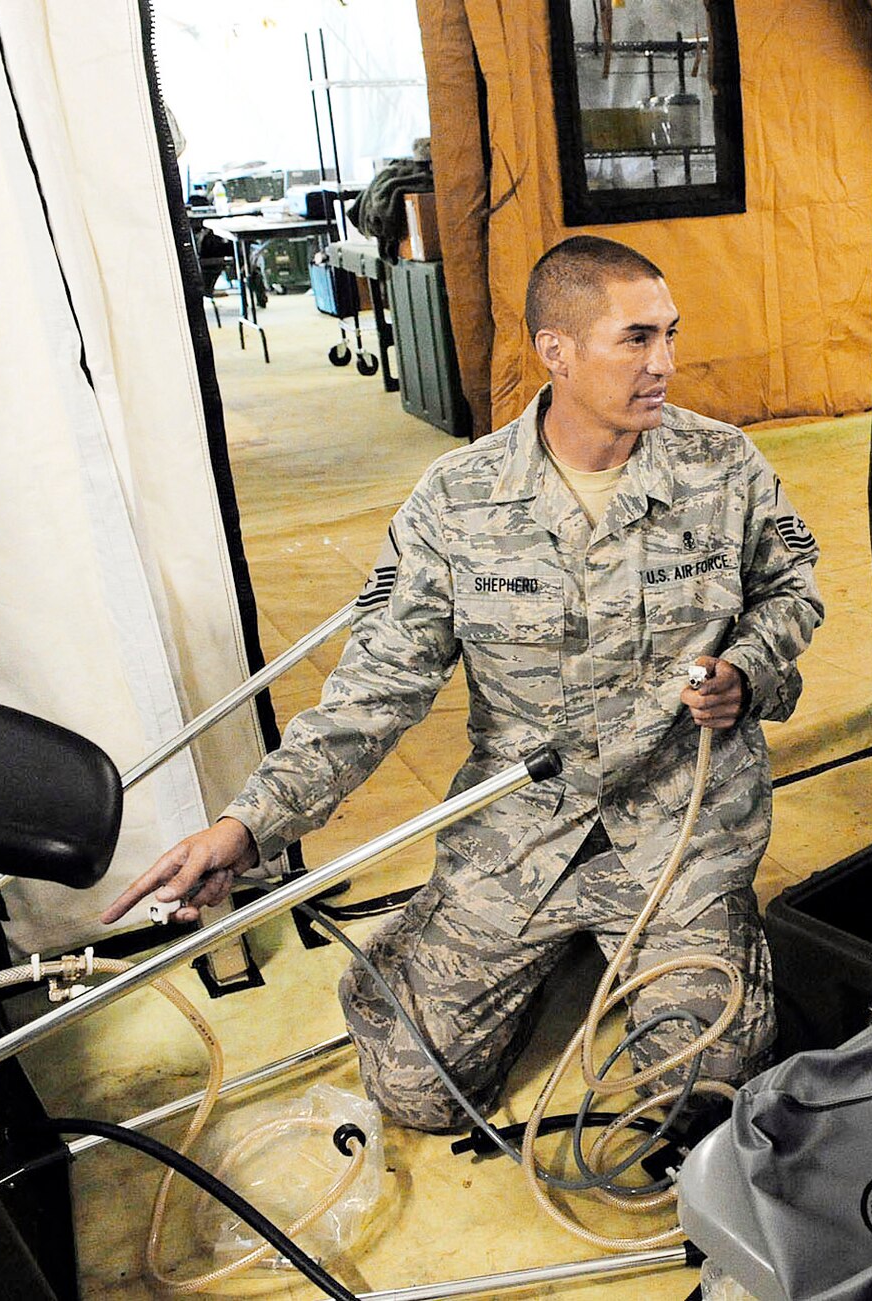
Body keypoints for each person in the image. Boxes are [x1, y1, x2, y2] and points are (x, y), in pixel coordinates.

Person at [102, 235, 824, 1130]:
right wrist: (250, 823)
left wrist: (747, 673)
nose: (666, 364)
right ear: (554, 350)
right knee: (416, 1094)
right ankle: (514, 948)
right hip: (523, 834)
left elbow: (795, 591)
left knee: (703, 1094)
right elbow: (376, 688)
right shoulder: (457, 500)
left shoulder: (725, 466)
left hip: (683, 822)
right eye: (636, 339)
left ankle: (690, 943)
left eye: (670, 336)